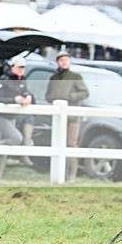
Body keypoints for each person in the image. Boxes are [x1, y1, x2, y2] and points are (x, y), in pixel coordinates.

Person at [45, 50, 89, 183]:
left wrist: (70, 98)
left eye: (66, 60)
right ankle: (60, 175)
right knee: (59, 145)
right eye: (61, 60)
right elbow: (48, 95)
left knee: (71, 145)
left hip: (73, 117)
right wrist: (55, 99)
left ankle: (71, 176)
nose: (64, 62)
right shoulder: (54, 78)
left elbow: (85, 93)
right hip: (59, 118)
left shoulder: (75, 76)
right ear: (57, 62)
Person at [0, 56, 34, 180]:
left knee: (6, 149)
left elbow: (25, 92)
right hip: (0, 117)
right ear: (12, 67)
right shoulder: (4, 79)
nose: (21, 70)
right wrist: (13, 100)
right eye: (19, 67)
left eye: (23, 67)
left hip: (12, 117)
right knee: (17, 138)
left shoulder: (22, 80)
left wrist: (27, 97)